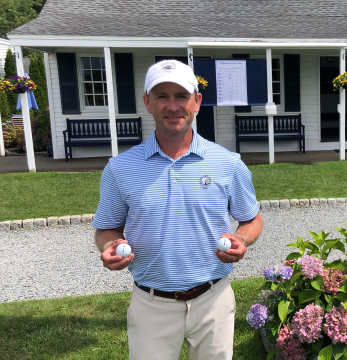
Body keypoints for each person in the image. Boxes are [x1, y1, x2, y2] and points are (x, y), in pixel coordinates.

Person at [92, 59, 263, 360]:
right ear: (147, 102)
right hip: (151, 303)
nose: (173, 106)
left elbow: (252, 219)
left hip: (214, 298)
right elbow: (107, 227)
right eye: (162, 96)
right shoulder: (120, 168)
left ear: (196, 102)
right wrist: (109, 244)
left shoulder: (228, 163)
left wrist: (242, 239)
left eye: (181, 96)